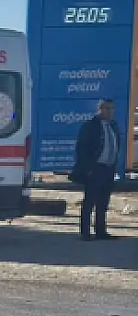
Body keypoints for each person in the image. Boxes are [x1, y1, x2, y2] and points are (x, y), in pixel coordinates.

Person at [70, 98, 121, 241]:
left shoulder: (113, 125)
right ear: (100, 109)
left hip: (108, 168)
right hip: (95, 168)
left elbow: (116, 144)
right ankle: (85, 232)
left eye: (112, 109)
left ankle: (100, 231)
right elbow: (82, 148)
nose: (110, 112)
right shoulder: (90, 126)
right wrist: (88, 168)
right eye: (107, 108)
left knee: (103, 202)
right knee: (89, 201)